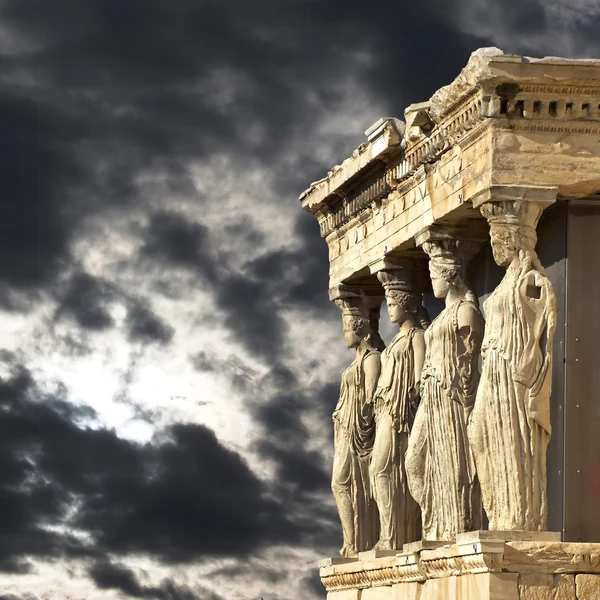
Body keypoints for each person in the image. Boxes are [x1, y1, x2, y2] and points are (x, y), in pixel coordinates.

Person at [469, 202, 557, 531]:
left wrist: (531, 360)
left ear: (514, 239)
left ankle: (517, 519)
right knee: (479, 435)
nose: (494, 246)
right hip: (492, 370)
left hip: (511, 372)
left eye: (498, 239)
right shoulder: (507, 282)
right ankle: (499, 514)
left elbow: (546, 321)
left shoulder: (530, 279)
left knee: (513, 439)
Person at [406, 238, 483, 540]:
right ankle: (436, 517)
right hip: (431, 395)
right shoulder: (442, 315)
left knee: (452, 461)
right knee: (415, 460)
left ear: (449, 275)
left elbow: (471, 362)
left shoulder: (466, 312)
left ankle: (454, 526)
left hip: (451, 398)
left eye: (435, 275)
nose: (431, 282)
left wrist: (466, 399)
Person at [371, 270, 427, 550]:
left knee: (383, 470)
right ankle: (389, 534)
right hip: (385, 411)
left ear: (406, 304)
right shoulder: (394, 341)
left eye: (393, 304)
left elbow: (419, 378)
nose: (389, 310)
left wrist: (409, 406)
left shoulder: (416, 337)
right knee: (379, 471)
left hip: (400, 415)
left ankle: (393, 537)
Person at [331, 295, 381, 557]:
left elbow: (371, 398)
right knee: (340, 484)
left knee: (342, 484)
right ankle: (352, 543)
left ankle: (355, 544)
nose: (345, 335)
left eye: (346, 329)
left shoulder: (371, 359)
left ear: (359, 327)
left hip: (357, 434)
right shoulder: (356, 361)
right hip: (345, 431)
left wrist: (362, 425)